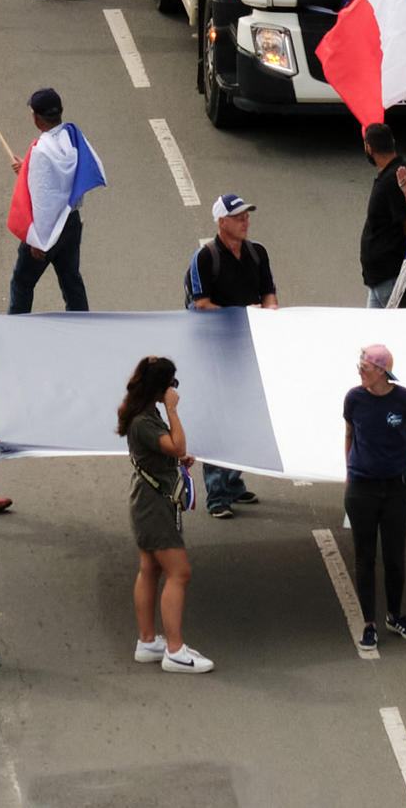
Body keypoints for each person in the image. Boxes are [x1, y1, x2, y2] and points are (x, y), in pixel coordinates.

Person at [184, 192, 279, 516]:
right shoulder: (205, 258)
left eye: (247, 216)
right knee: (218, 421)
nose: (245, 221)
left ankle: (234, 483)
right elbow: (201, 305)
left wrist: (269, 312)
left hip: (248, 348)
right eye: (239, 217)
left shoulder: (257, 253)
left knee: (245, 417)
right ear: (221, 223)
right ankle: (217, 496)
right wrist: (244, 312)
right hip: (214, 352)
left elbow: (269, 292)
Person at [120, 356, 212, 671]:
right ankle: (175, 651)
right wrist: (173, 410)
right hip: (153, 506)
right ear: (161, 387)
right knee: (179, 572)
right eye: (172, 384)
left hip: (149, 500)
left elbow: (168, 452)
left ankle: (148, 641)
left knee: (150, 569)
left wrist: (176, 462)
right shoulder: (146, 420)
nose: (174, 390)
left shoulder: (145, 413)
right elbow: (175, 444)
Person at [342, 338, 406, 655]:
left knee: (394, 556)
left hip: (396, 487)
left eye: (364, 368)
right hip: (362, 487)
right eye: (359, 367)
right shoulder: (354, 399)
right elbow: (349, 435)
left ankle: (395, 615)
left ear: (382, 370)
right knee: (365, 557)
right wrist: (350, 475)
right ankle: (369, 624)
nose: (359, 372)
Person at [11, 86, 97, 311]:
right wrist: (29, 169)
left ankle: (15, 331)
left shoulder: (40, 150)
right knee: (71, 280)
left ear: (37, 119)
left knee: (22, 283)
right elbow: (60, 177)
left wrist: (38, 240)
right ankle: (82, 325)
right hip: (71, 222)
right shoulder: (72, 137)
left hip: (49, 228)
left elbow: (44, 198)